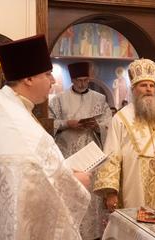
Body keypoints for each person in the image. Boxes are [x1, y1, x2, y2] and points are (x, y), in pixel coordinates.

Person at [0, 34, 91, 239]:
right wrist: (77, 182)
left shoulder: (2, 106)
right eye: (48, 74)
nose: (52, 81)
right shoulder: (15, 118)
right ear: (29, 79)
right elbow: (34, 178)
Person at [94, 58, 155, 211]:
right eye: (143, 85)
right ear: (134, 89)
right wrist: (111, 193)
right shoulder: (121, 118)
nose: (149, 89)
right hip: (134, 185)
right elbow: (111, 157)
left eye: (152, 85)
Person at [49, 61, 112, 240]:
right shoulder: (59, 99)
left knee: (92, 198)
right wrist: (66, 123)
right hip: (69, 155)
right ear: (72, 79)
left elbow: (109, 122)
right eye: (79, 80)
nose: (82, 84)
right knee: (72, 194)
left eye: (85, 80)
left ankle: (94, 236)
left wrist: (97, 125)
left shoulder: (99, 98)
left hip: (92, 156)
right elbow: (48, 124)